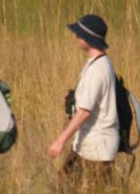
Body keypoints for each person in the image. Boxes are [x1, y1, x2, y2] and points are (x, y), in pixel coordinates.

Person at [48, 14, 119, 191]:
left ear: (89, 38)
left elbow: (85, 112)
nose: (76, 37)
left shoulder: (98, 70)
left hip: (97, 150)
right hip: (85, 146)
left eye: (79, 34)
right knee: (62, 186)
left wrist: (60, 140)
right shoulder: (98, 63)